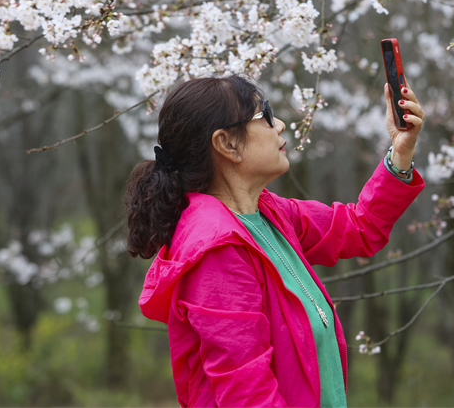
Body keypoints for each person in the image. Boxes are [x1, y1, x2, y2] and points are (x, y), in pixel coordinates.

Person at [125, 74, 426, 407]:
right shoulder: (216, 250)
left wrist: (401, 153)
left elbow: (358, 227)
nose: (280, 125)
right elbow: (247, 394)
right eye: (265, 115)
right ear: (227, 144)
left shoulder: (268, 211)